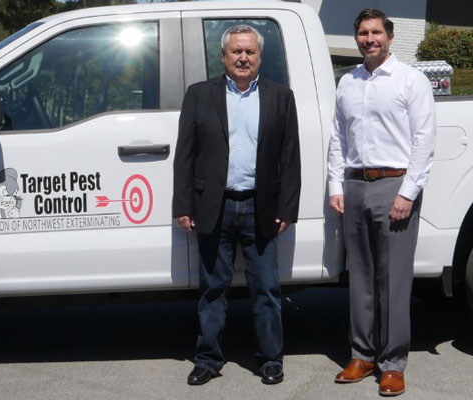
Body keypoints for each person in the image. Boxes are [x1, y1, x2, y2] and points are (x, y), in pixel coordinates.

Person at [173, 24, 300, 386]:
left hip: (261, 208)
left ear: (260, 56)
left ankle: (271, 359)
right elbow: (185, 155)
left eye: (250, 52)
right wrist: (184, 204)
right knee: (213, 290)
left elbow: (290, 157)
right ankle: (208, 359)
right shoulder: (199, 95)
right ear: (224, 56)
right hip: (214, 206)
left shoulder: (280, 97)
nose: (243, 57)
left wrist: (287, 208)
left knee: (267, 291)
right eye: (236, 51)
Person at [327, 8, 436, 397]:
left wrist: (408, 193)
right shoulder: (348, 83)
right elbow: (338, 137)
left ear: (389, 36)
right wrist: (335, 185)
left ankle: (393, 363)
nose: (369, 38)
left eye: (375, 32)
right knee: (359, 278)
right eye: (362, 33)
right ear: (356, 38)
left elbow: (424, 141)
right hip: (355, 186)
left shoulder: (411, 80)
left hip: (394, 185)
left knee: (393, 280)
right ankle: (362, 355)